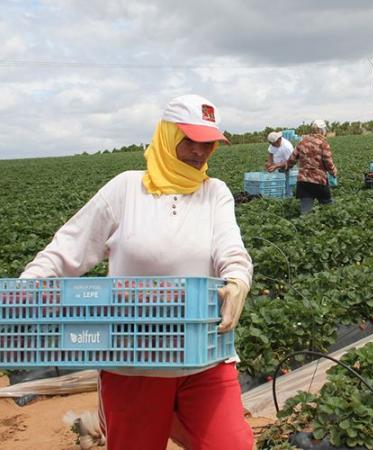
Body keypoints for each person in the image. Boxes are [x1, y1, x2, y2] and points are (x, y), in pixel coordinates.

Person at [20, 94, 255, 450]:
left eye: (208, 143)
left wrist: (238, 278)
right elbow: (68, 248)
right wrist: (25, 289)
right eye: (189, 140)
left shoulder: (215, 193)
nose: (199, 152)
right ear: (166, 136)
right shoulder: (126, 189)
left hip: (204, 356)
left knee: (232, 445)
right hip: (134, 360)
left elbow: (231, 248)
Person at [285, 119, 337, 214]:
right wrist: (333, 172)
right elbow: (328, 162)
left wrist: (286, 167)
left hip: (303, 181)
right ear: (322, 130)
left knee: (305, 211)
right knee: (327, 207)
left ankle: (304, 225)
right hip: (319, 180)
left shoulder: (302, 142)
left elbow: (292, 159)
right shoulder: (323, 144)